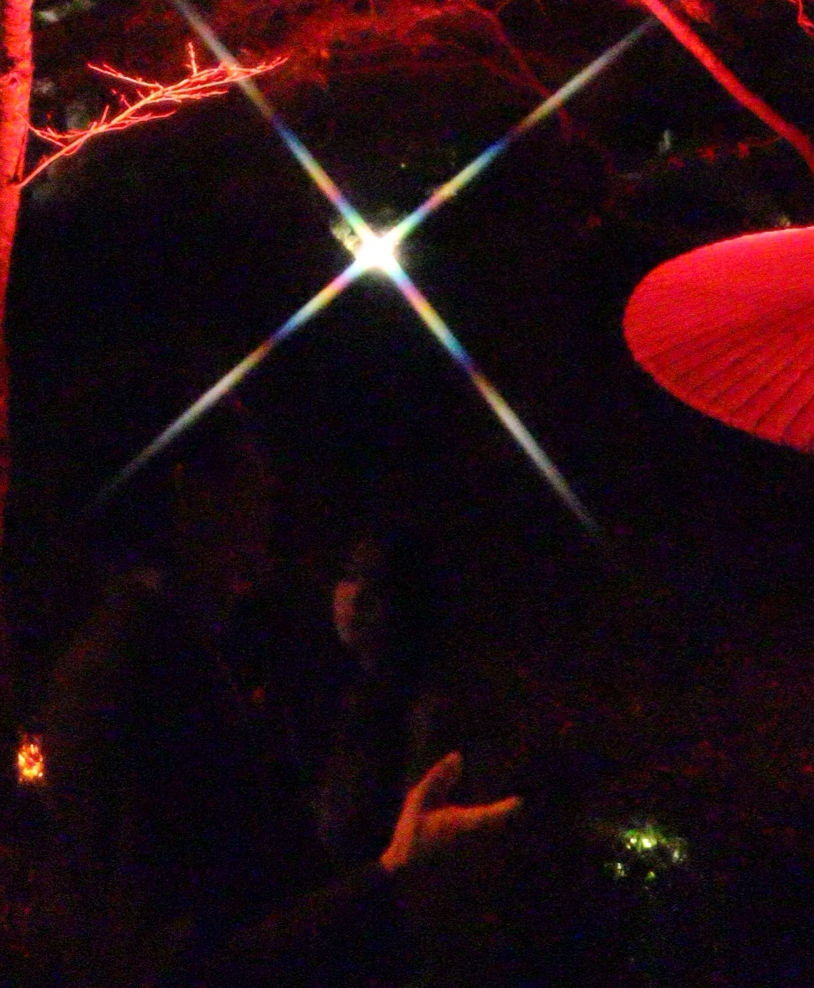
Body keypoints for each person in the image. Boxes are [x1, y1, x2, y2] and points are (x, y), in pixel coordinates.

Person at [45, 417, 517, 988]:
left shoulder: (198, 648)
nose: (271, 486)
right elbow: (172, 955)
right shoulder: (129, 677)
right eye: (249, 465)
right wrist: (392, 873)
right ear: (188, 492)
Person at [312, 529, 444, 868]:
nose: (357, 595)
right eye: (351, 575)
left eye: (379, 582)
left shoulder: (426, 708)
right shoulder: (342, 692)